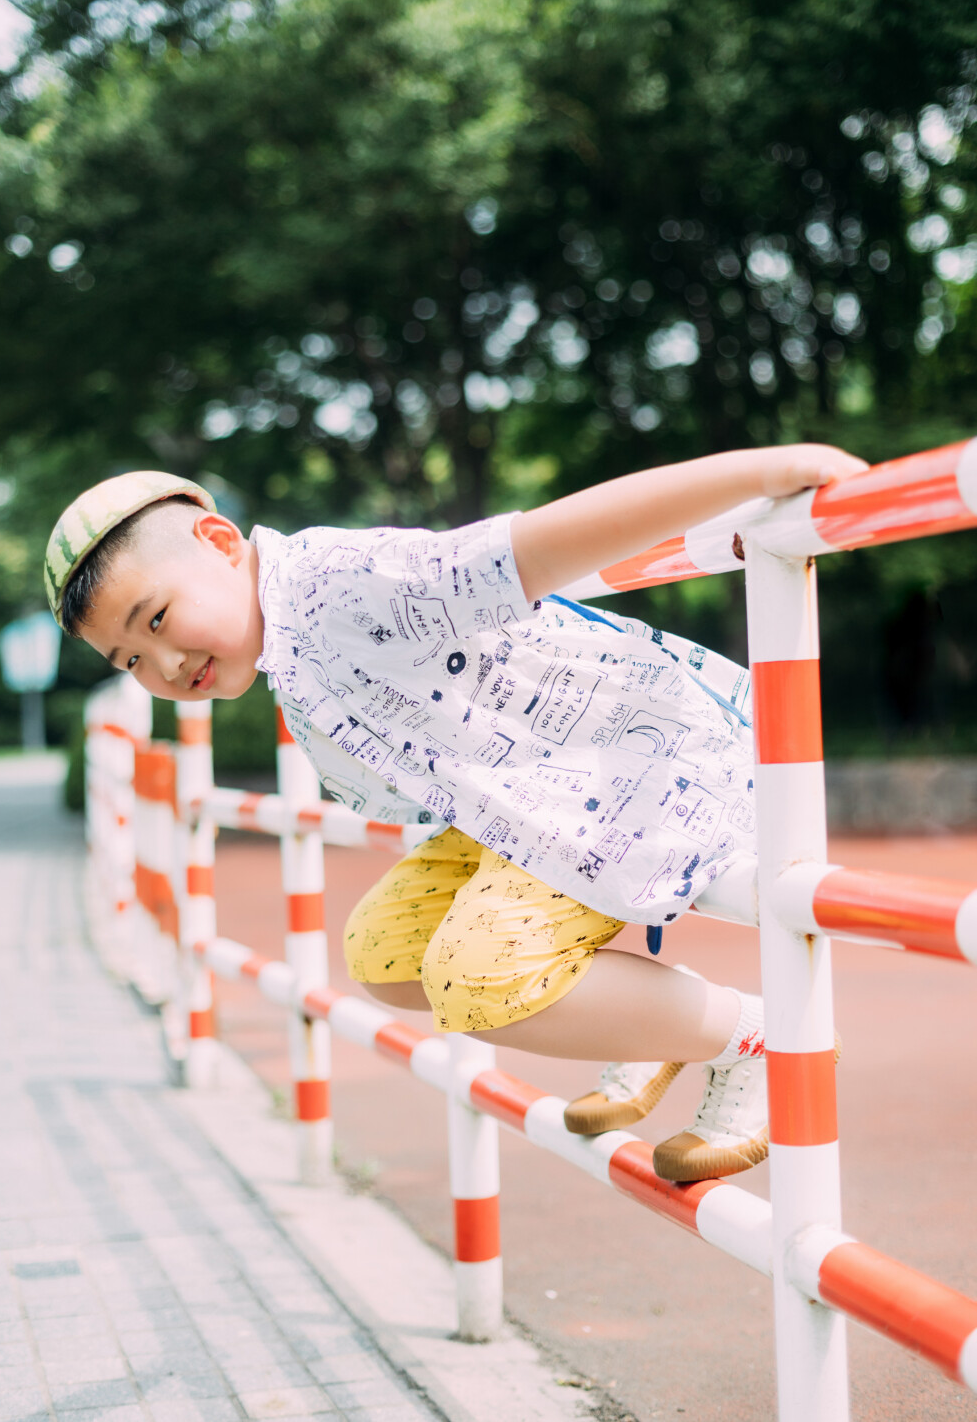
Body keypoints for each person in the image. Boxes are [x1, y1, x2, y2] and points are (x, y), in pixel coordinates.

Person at [45, 442, 866, 1180]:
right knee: (384, 953)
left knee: (479, 977)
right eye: (130, 658)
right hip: (522, 804)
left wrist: (760, 473)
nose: (164, 661)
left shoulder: (337, 586)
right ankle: (656, 1023)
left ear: (221, 545)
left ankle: (759, 1040)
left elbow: (539, 542)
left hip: (624, 769)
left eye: (155, 619)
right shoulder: (286, 646)